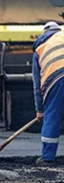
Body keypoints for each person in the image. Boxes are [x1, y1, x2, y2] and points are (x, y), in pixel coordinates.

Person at [32, 21, 64, 166]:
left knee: (52, 115)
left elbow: (37, 82)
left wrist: (40, 110)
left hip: (55, 77)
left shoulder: (40, 47)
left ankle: (47, 158)